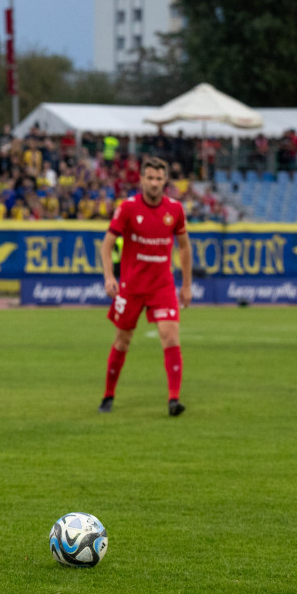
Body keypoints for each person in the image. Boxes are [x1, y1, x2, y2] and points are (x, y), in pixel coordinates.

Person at [99, 156, 191, 417]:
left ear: (165, 181)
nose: (154, 183)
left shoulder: (174, 210)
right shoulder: (127, 208)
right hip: (131, 286)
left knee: (171, 336)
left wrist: (186, 286)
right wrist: (109, 277)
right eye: (150, 178)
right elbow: (106, 245)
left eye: (159, 179)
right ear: (141, 179)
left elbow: (185, 247)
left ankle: (174, 400)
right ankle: (108, 394)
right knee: (122, 340)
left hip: (162, 286)